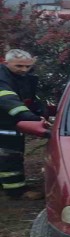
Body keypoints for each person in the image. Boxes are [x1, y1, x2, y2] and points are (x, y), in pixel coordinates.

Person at [0, 50, 48, 200]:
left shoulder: (22, 77)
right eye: (19, 66)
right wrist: (32, 119)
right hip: (5, 124)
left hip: (10, 122)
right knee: (10, 156)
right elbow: (10, 102)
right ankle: (16, 192)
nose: (24, 69)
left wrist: (42, 111)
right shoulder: (2, 79)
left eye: (27, 66)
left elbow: (30, 98)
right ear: (6, 63)